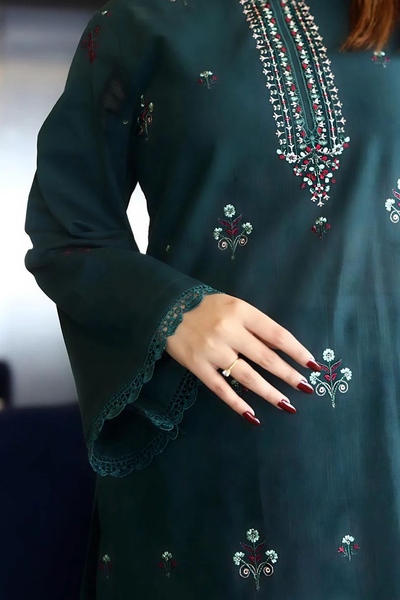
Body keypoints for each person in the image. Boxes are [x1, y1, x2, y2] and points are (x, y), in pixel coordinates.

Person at [24, 0, 400, 597]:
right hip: (220, 452)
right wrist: (172, 309)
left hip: (384, 428)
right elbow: (67, 232)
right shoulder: (139, 25)